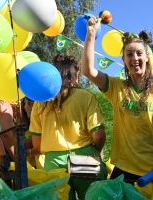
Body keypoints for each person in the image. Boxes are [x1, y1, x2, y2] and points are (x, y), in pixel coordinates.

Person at [82, 17, 153, 183]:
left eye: (139, 53)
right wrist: (91, 35)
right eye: (129, 54)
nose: (134, 58)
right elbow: (88, 71)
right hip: (123, 170)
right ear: (123, 59)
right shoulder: (116, 86)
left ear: (147, 58)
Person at [29, 54, 107, 200]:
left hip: (53, 164)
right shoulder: (86, 96)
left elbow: (37, 145)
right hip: (85, 158)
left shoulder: (40, 103)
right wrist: (97, 150)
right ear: (76, 75)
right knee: (93, 197)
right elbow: (99, 135)